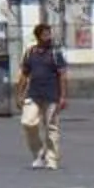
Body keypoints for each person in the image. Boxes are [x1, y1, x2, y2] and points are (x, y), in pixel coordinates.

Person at [18, 21, 68, 171]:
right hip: (33, 94)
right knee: (28, 122)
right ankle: (39, 153)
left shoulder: (55, 53)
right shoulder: (30, 52)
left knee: (51, 127)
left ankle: (52, 159)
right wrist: (19, 94)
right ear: (38, 36)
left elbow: (63, 75)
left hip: (51, 94)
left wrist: (63, 96)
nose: (49, 37)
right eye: (45, 34)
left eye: (49, 33)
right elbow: (24, 75)